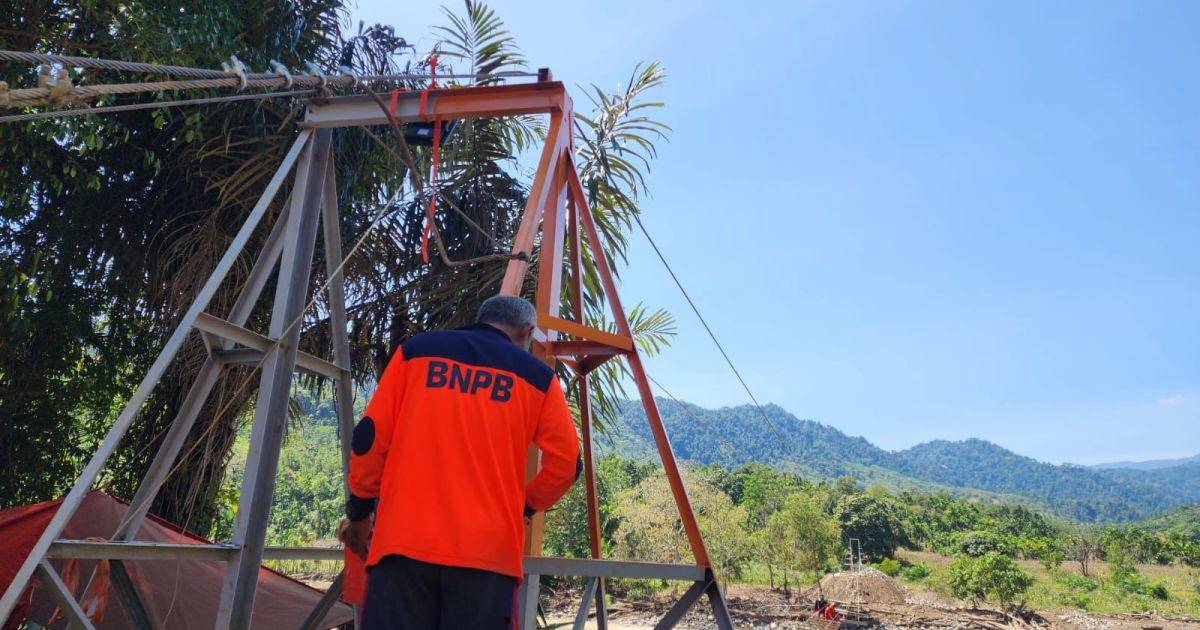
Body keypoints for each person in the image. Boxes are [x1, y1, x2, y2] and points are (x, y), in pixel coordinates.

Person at [338, 295, 581, 629]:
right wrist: (524, 504)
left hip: (402, 548)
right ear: (526, 332)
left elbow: (369, 438)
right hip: (487, 558)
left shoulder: (416, 353)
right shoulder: (537, 377)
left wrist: (360, 513)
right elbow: (567, 465)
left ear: (483, 318)